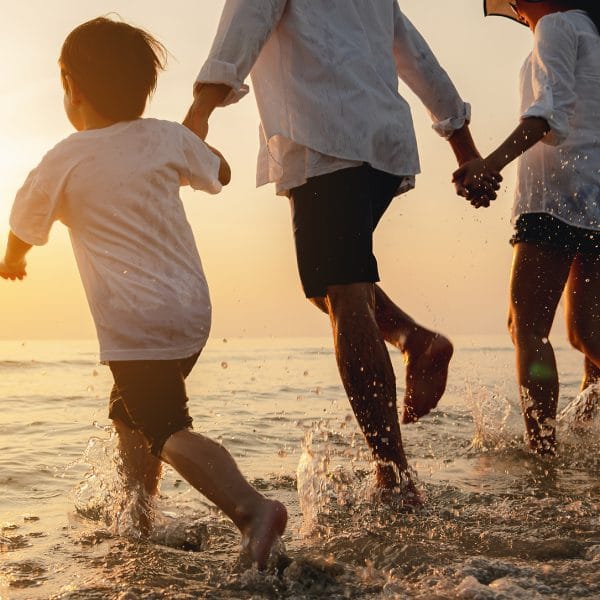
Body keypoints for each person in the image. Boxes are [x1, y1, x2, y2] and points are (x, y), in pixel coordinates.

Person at [0, 17, 286, 569]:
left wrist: (11, 261)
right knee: (129, 412)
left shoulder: (64, 157)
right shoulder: (165, 136)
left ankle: (251, 509)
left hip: (137, 323)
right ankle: (138, 515)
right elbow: (219, 173)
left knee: (164, 427)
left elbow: (23, 224)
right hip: (190, 314)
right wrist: (195, 151)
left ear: (71, 87)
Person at [184, 1, 497, 498]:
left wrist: (197, 114)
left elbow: (243, 26)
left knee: (344, 297)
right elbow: (417, 57)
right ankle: (416, 340)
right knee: (328, 288)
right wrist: (465, 148)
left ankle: (394, 476)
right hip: (380, 145)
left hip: (326, 140)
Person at [455, 0, 600, 453]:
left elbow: (545, 117)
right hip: (594, 199)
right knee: (586, 336)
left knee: (527, 326)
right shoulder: (589, 32)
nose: (514, 7)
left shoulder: (556, 27)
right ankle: (582, 433)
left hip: (556, 200)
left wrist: (487, 166)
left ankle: (543, 452)